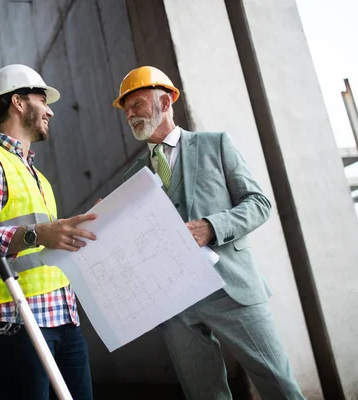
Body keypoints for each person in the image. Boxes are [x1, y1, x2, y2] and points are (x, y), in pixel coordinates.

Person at [113, 66, 305, 399]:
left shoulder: (215, 144)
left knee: (278, 384)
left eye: (137, 103)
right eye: (126, 109)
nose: (130, 114)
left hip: (232, 290)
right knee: (204, 395)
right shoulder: (133, 176)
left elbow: (259, 203)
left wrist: (211, 227)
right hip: (174, 304)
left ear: (166, 100)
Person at [0, 64, 96, 400]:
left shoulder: (37, 175)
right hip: (19, 322)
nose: (49, 110)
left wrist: (91, 223)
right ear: (18, 102)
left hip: (64, 318)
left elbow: (49, 241)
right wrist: (35, 234)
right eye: (42, 99)